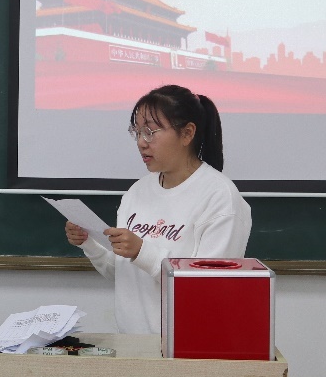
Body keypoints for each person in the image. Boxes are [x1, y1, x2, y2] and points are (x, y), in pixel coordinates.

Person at [64, 84, 251, 334]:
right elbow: (123, 275)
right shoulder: (136, 193)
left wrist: (142, 251)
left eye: (150, 132)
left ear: (187, 134)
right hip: (133, 346)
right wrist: (89, 244)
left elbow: (206, 288)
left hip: (188, 347)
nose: (141, 143)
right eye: (137, 132)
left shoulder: (220, 197)